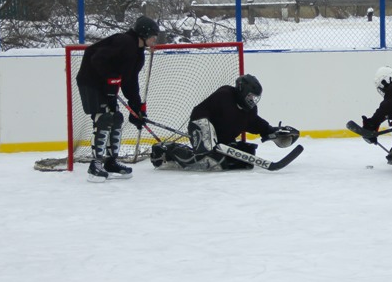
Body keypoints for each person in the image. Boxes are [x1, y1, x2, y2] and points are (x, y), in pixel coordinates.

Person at [150, 74, 299, 171]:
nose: (252, 101)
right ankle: (167, 151)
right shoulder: (224, 95)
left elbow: (255, 123)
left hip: (222, 141)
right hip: (201, 128)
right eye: (250, 96)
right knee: (205, 161)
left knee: (241, 162)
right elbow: (199, 112)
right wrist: (206, 133)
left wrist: (270, 131)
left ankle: (213, 152)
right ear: (242, 91)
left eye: (255, 98)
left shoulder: (250, 110)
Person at [76, 15, 160, 182]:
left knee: (116, 118)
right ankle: (95, 165)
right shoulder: (125, 42)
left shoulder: (138, 53)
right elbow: (96, 58)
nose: (154, 40)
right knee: (104, 118)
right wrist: (111, 79)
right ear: (143, 34)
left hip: (106, 86)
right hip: (91, 82)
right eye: (152, 37)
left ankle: (110, 162)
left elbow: (130, 81)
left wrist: (136, 107)